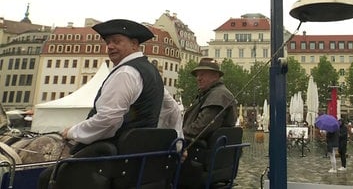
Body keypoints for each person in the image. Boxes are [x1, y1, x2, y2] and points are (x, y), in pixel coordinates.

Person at [38, 19, 177, 189]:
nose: (110, 46)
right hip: (139, 160)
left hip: (114, 160)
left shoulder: (125, 73)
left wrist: (72, 132)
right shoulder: (151, 71)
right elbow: (172, 109)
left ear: (134, 44)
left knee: (48, 177)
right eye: (108, 42)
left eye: (117, 41)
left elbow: (108, 119)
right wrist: (176, 144)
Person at [179, 58, 237, 187]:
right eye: (197, 75)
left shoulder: (218, 95)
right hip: (212, 159)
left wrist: (177, 136)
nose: (198, 78)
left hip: (199, 157)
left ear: (215, 76)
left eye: (203, 74)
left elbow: (200, 128)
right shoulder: (213, 94)